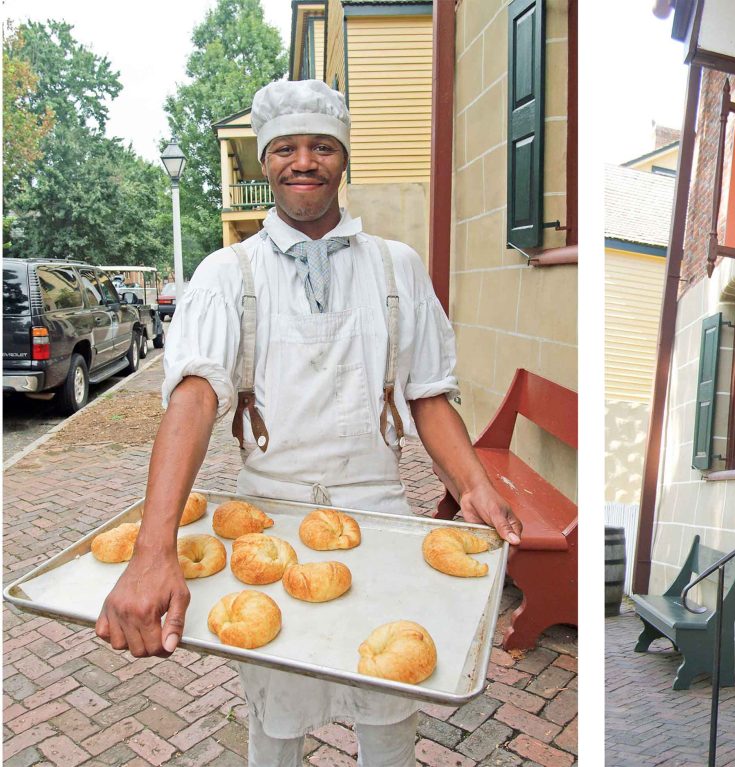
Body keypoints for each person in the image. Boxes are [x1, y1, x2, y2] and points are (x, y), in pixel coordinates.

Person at [95, 79, 522, 766]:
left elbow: (429, 396)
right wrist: (154, 548)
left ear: (343, 158)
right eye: (286, 147)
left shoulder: (396, 268)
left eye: (322, 146)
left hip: (379, 514)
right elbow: (196, 396)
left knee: (389, 706)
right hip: (267, 521)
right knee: (276, 717)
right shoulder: (227, 273)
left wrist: (471, 483)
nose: (304, 161)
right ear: (264, 161)